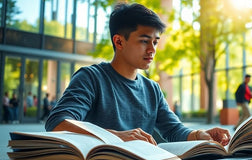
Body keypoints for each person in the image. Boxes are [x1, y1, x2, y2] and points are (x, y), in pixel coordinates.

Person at [45, 2, 230, 146]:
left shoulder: (152, 89)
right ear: (118, 42)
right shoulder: (91, 78)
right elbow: (57, 123)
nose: (152, 50)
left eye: (155, 42)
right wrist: (116, 136)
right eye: (144, 41)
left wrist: (200, 135)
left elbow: (173, 129)